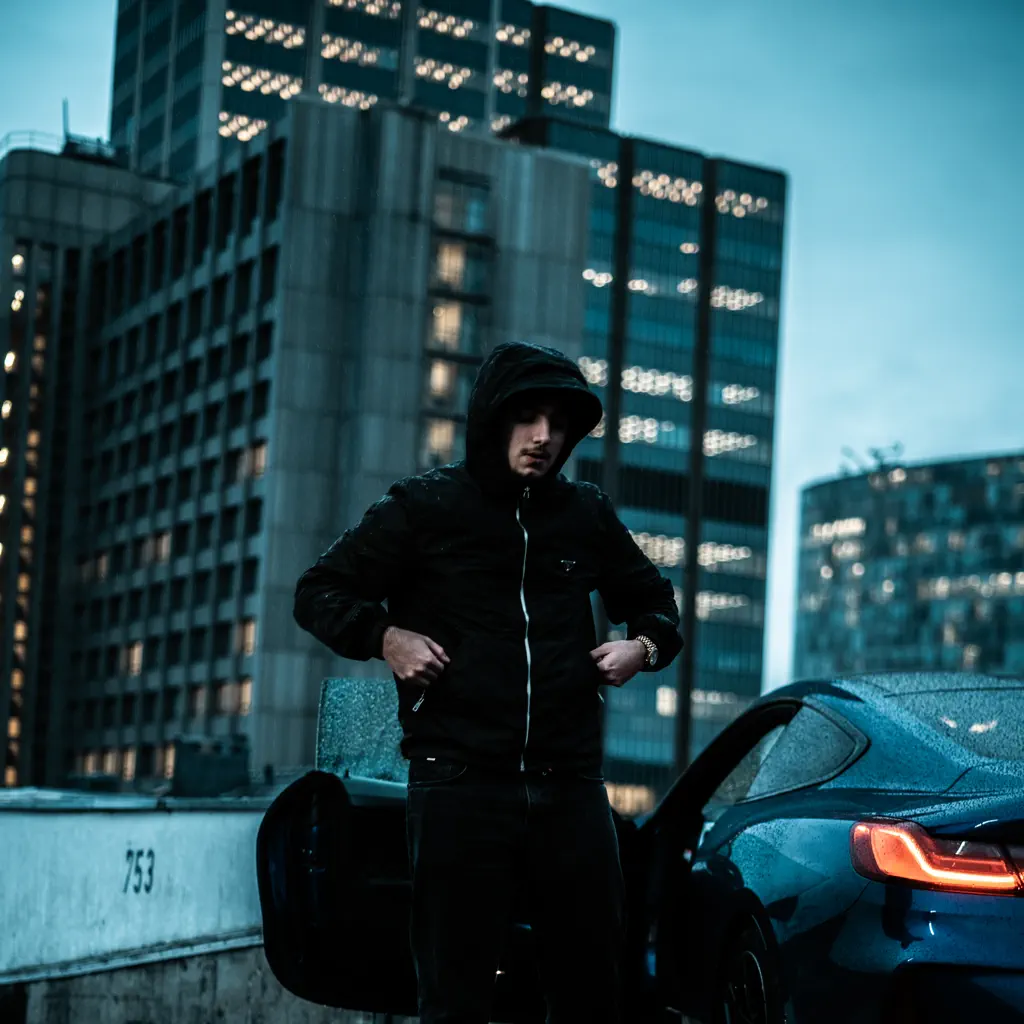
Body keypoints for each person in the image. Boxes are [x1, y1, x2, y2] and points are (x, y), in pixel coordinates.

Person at [293, 341, 682, 1024]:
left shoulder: (584, 514)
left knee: (592, 987)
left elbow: (656, 604)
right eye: (527, 418)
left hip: (570, 785)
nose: (543, 437)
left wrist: (641, 648)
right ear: (492, 420)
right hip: (459, 783)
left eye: (557, 424)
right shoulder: (425, 506)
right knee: (456, 993)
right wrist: (386, 637)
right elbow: (319, 591)